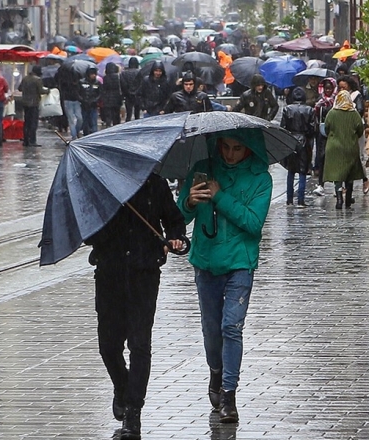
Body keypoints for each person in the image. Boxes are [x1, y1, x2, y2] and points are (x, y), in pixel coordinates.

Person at [176, 129, 273, 424]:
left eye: (237, 149)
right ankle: (215, 372)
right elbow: (179, 216)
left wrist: (220, 196)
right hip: (206, 259)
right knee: (211, 328)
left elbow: (253, 223)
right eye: (225, 147)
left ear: (249, 149)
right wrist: (190, 202)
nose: (230, 154)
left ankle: (229, 394)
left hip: (240, 261)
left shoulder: (260, 179)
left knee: (232, 326)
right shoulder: (203, 169)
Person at [85, 174, 186, 440]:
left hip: (144, 272)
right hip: (110, 273)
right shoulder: (103, 185)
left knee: (140, 344)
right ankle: (123, 386)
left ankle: (133, 412)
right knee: (108, 344)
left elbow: (174, 220)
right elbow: (88, 232)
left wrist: (174, 239)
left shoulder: (155, 183)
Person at [322, 90, 365, 209]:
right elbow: (360, 130)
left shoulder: (332, 113)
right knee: (350, 174)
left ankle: (339, 198)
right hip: (350, 147)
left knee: (337, 174)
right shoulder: (354, 114)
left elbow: (326, 128)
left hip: (334, 148)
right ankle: (348, 199)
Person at [280, 88, 316, 207]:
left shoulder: (287, 109)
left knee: (290, 171)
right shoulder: (309, 110)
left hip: (291, 140)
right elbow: (312, 129)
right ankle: (301, 200)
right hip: (304, 141)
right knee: (302, 171)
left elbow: (282, 127)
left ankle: (289, 200)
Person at [312, 77, 337, 196]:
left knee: (335, 158)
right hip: (321, 133)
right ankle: (321, 184)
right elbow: (315, 115)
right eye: (326, 88)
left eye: (330, 88)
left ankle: (338, 186)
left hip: (335, 133)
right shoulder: (319, 101)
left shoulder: (336, 101)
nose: (327, 90)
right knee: (322, 157)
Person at [18, 65, 47, 147]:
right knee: (33, 123)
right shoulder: (38, 80)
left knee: (26, 122)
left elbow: (20, 88)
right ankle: (32, 140)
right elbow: (41, 91)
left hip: (25, 103)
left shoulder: (25, 78)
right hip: (34, 103)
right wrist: (48, 91)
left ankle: (26, 140)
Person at [79, 66, 101, 135]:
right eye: (92, 74)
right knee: (85, 122)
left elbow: (100, 93)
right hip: (84, 105)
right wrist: (83, 100)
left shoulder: (97, 83)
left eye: (95, 74)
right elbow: (78, 92)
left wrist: (95, 100)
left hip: (93, 105)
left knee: (94, 123)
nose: (93, 75)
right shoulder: (82, 82)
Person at [120, 57, 142, 122]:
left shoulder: (124, 73)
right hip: (137, 95)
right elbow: (141, 83)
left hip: (128, 95)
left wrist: (126, 92)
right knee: (137, 112)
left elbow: (123, 84)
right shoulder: (140, 72)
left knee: (129, 113)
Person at [101, 62, 123, 127]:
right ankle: (117, 127)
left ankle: (108, 126)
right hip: (117, 98)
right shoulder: (118, 77)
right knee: (116, 115)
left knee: (108, 115)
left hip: (107, 99)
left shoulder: (105, 78)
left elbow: (104, 88)